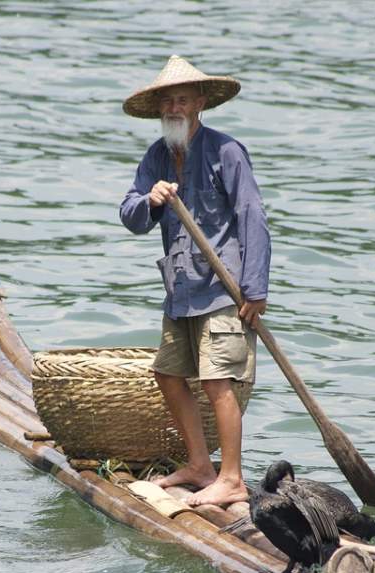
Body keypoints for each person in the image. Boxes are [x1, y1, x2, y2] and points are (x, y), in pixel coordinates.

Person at [119, 55, 271, 507]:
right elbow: (130, 215)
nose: (174, 109)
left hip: (223, 289)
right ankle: (200, 466)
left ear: (200, 103)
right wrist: (152, 198)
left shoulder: (226, 152)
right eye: (168, 102)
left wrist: (256, 290)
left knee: (217, 379)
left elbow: (253, 218)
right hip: (181, 291)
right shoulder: (157, 157)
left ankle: (233, 478)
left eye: (182, 100)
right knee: (168, 373)